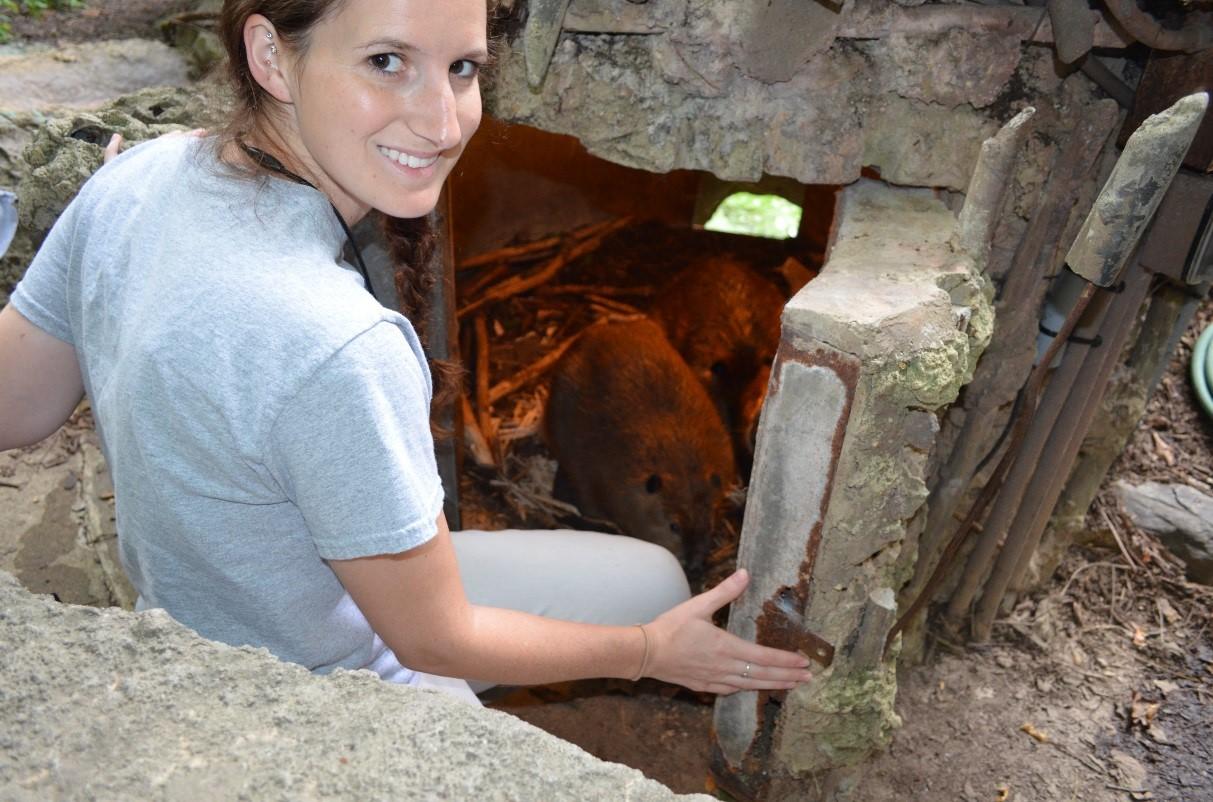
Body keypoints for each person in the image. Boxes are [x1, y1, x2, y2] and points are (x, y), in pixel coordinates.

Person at [0, 0, 812, 704]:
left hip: (205, 611)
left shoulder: (135, 176)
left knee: (653, 579)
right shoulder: (340, 343)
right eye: (387, 62)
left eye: (461, 67)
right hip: (329, 682)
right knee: (653, 609)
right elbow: (434, 643)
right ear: (270, 57)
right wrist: (647, 655)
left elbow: (17, 404)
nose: (443, 119)